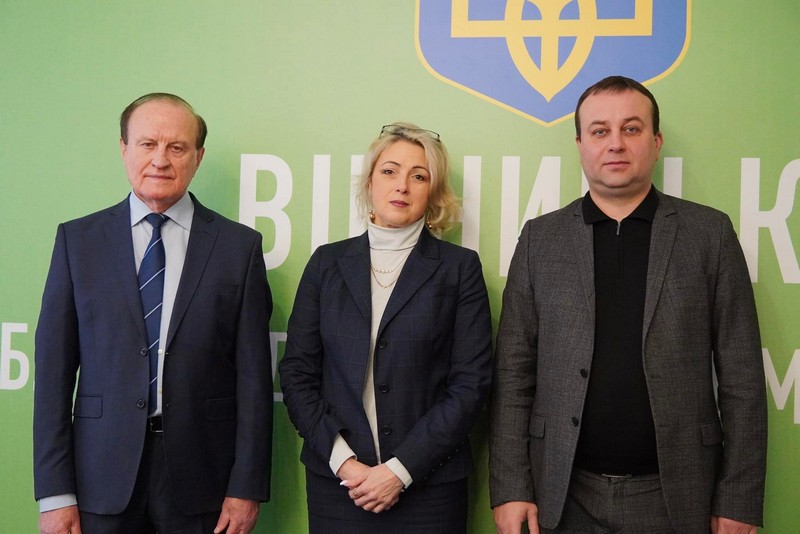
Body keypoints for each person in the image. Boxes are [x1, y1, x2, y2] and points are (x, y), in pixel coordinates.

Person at [489, 76, 767, 534]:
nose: (615, 143)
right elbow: (513, 373)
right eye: (600, 131)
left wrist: (739, 498)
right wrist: (510, 487)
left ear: (656, 142)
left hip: (676, 497)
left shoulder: (709, 234)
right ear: (580, 144)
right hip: (562, 494)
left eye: (631, 129)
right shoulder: (540, 239)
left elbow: (743, 378)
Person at [33, 93, 273, 534]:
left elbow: (254, 381)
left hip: (204, 480)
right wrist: (54, 494)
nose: (161, 160)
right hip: (98, 479)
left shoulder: (239, 248)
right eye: (148, 144)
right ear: (123, 148)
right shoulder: (77, 242)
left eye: (177, 147)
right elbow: (53, 376)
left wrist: (247, 487)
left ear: (198, 157)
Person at [279, 122, 493, 533]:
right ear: (370, 181)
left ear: (433, 191)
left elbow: (470, 384)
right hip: (339, 486)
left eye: (419, 176)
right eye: (390, 171)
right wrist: (345, 463)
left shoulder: (459, 269)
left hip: (430, 489)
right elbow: (297, 373)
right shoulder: (326, 264)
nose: (402, 186)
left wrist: (399, 470)